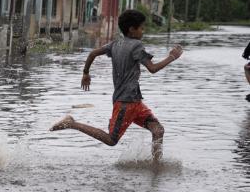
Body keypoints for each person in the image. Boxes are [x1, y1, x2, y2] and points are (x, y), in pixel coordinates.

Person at [50, 9, 183, 162]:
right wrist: (172, 57)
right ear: (132, 29)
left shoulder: (115, 44)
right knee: (111, 139)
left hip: (135, 102)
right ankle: (71, 123)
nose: (143, 31)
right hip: (125, 103)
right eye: (141, 28)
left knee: (158, 130)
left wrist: (86, 73)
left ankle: (156, 168)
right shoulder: (136, 46)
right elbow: (152, 69)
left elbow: (93, 53)